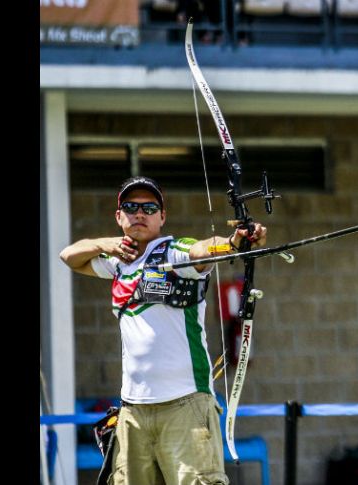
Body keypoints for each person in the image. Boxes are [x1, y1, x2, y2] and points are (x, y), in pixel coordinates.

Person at [60, 175, 268, 485]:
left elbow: (202, 250)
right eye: (131, 207)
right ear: (119, 217)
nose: (140, 213)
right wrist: (107, 244)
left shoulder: (173, 252)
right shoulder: (119, 262)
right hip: (133, 411)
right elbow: (69, 256)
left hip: (184, 405)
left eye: (149, 207)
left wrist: (234, 242)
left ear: (162, 216)